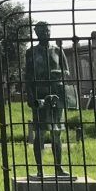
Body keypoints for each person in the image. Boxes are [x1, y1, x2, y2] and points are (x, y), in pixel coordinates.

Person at [23, 21, 71, 177]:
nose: (46, 33)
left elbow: (66, 71)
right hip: (40, 94)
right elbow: (28, 76)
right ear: (36, 33)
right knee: (40, 132)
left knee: (57, 132)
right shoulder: (31, 52)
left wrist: (57, 76)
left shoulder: (58, 50)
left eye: (47, 31)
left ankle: (59, 168)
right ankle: (39, 169)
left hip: (56, 94)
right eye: (42, 31)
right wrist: (30, 96)